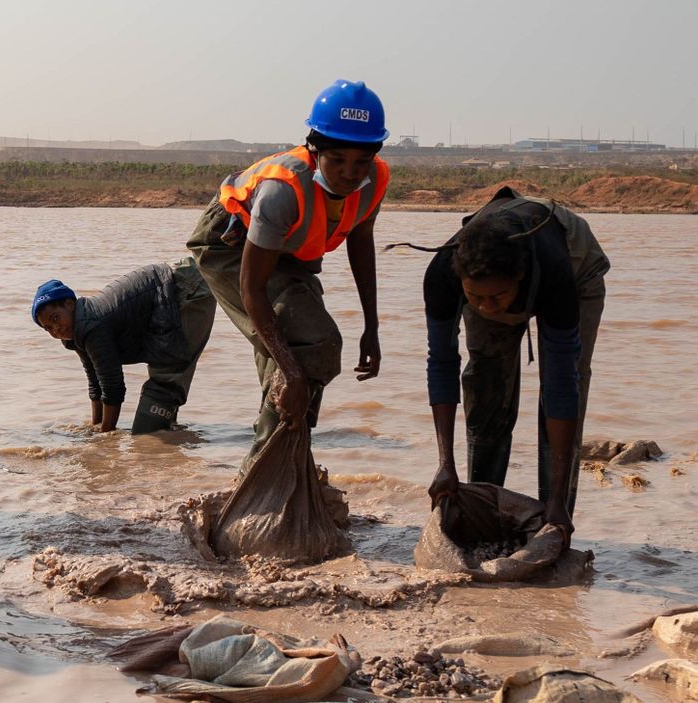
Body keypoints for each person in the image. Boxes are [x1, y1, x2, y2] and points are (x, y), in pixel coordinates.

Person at [186, 79, 390, 471]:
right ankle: (264, 471)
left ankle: (286, 463)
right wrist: (293, 373)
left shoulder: (374, 181)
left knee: (300, 350)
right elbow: (251, 287)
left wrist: (372, 326)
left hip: (291, 253)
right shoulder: (283, 190)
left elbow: (361, 241)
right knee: (310, 346)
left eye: (360, 162)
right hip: (228, 247)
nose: (350, 173)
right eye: (337, 160)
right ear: (314, 150)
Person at [421, 188, 609, 544]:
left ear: (519, 278)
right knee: (486, 384)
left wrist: (555, 501)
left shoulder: (555, 275)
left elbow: (561, 385)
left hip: (577, 267)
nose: (488, 307)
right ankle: (483, 513)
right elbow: (442, 364)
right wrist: (445, 464)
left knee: (567, 387)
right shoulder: (443, 275)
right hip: (496, 267)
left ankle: (556, 512)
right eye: (477, 297)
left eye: (497, 297)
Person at [32, 258, 215, 433]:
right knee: (160, 418)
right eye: (48, 328)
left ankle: (161, 431)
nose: (56, 329)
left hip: (186, 288)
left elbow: (113, 386)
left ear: (70, 305)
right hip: (173, 288)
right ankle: (171, 434)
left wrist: (106, 437)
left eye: (55, 318)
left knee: (162, 390)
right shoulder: (77, 333)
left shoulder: (92, 326)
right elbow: (95, 381)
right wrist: (95, 425)